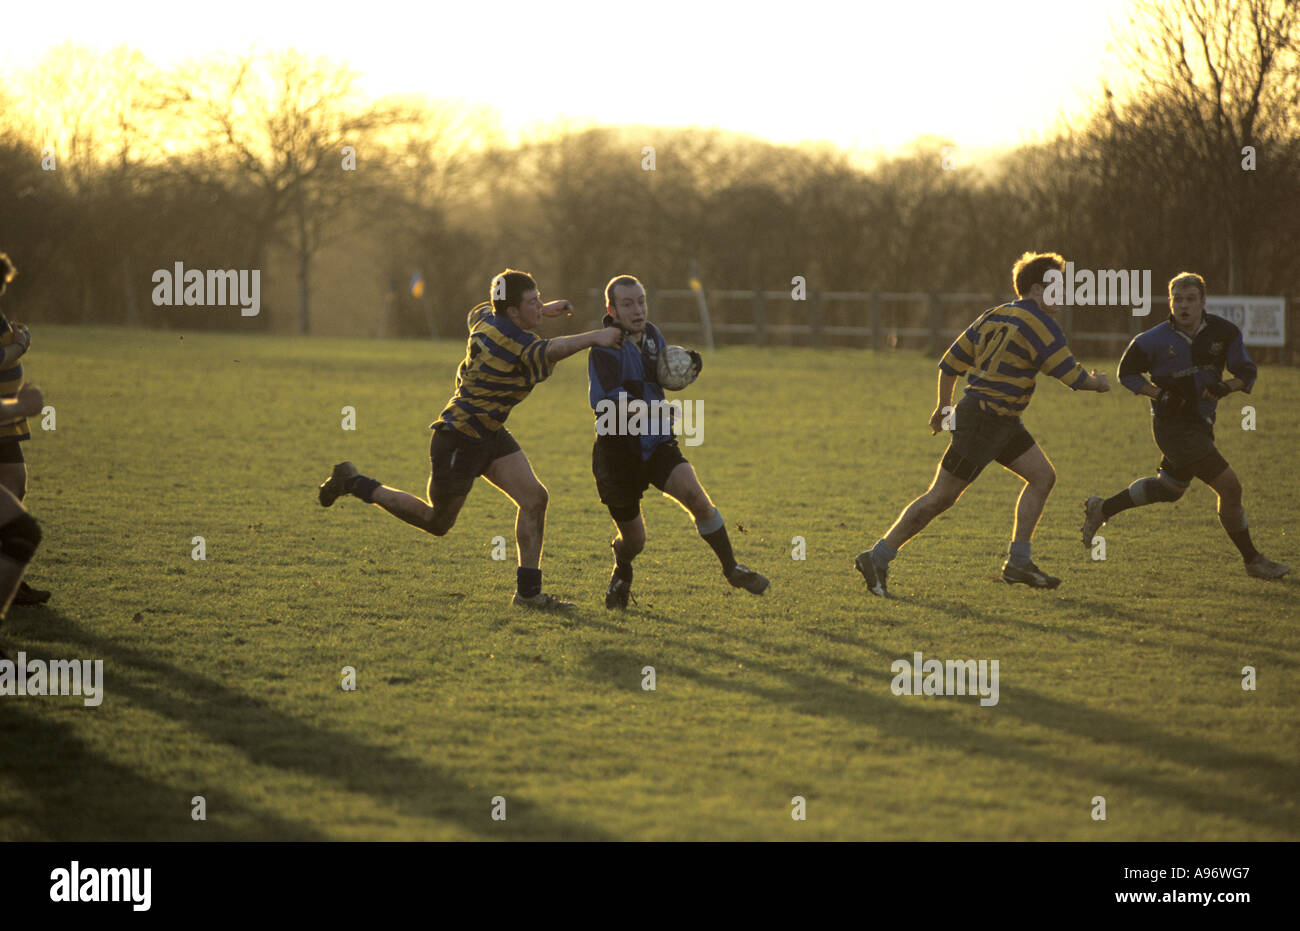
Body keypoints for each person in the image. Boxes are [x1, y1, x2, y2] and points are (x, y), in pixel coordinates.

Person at [317, 269, 625, 608]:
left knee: (535, 499)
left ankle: (528, 594)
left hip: (489, 432)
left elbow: (476, 310)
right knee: (437, 522)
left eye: (539, 298)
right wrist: (597, 336)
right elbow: (552, 350)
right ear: (511, 313)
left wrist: (542, 309)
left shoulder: (486, 318)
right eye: (531, 302)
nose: (539, 305)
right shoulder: (516, 344)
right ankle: (355, 482)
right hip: (459, 438)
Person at [855, 251, 1110, 597]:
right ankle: (877, 556)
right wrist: (1098, 381)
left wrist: (943, 408)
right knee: (940, 497)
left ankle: (1019, 562)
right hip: (983, 422)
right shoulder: (1043, 324)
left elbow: (950, 364)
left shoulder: (994, 315)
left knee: (1042, 476)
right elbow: (1071, 376)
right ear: (1038, 288)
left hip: (1000, 420)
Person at [1079, 271, 1288, 579]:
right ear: (1171, 302)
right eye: (1178, 299)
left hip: (1202, 423)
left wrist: (1225, 387)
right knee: (1230, 487)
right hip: (1172, 427)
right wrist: (1158, 394)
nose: (1184, 306)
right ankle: (1253, 560)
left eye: (1191, 299)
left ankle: (1103, 508)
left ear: (1203, 302)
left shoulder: (1224, 332)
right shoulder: (1151, 340)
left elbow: (1247, 371)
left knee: (1170, 489)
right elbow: (1127, 373)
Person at [590, 274, 768, 609]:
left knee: (697, 498)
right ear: (611, 309)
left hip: (656, 441)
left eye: (641, 301)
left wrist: (686, 365)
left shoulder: (653, 334)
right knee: (635, 540)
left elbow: (661, 373)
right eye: (627, 304)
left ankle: (731, 568)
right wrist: (657, 408)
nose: (637, 309)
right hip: (617, 452)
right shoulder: (604, 348)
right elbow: (608, 405)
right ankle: (622, 566)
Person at [0, 253, 49, 606]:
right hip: (4, 416)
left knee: (16, 487)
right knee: (13, 502)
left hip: (7, 417)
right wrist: (21, 345)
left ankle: (11, 577)